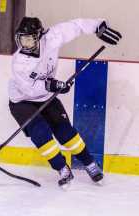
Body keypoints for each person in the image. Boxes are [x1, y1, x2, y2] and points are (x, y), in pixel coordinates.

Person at [9, 17, 121, 188]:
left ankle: (90, 163)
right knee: (41, 134)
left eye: (29, 39)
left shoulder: (52, 38)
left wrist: (98, 26)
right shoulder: (19, 61)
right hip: (22, 102)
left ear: (39, 36)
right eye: (22, 39)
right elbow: (28, 90)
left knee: (66, 133)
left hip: (46, 97)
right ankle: (62, 168)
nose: (25, 44)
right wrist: (53, 85)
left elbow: (76, 26)